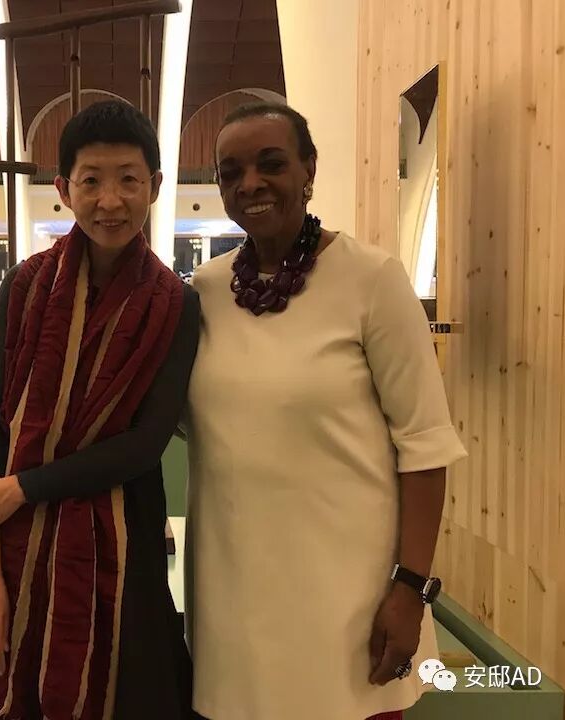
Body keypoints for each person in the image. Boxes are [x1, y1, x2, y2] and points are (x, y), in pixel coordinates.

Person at [0, 100, 200, 720]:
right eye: (91, 181)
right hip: (4, 533)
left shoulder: (175, 303)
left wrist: (21, 489)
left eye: (128, 179)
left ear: (154, 185)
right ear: (65, 190)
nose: (110, 201)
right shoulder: (26, 284)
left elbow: (144, 444)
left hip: (119, 535)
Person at [183, 102, 467, 720]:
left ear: (309, 169)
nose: (250, 183)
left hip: (348, 607)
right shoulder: (204, 292)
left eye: (271, 163)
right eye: (231, 172)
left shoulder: (372, 279)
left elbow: (425, 446)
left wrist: (411, 589)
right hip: (230, 605)